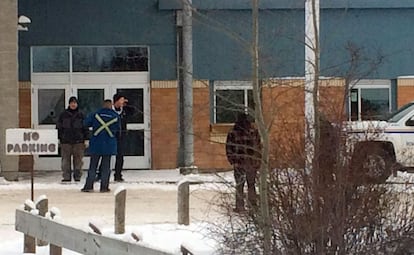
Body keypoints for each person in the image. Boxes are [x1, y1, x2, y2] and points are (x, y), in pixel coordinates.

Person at [81, 100, 120, 192]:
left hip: (96, 144)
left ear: (103, 105)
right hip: (109, 144)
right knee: (106, 167)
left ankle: (89, 186)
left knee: (93, 166)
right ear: (111, 106)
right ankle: (104, 187)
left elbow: (85, 123)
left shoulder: (95, 114)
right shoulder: (115, 116)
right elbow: (118, 130)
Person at [226, 113, 261, 213]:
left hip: (239, 163)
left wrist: (232, 161)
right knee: (251, 185)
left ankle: (240, 206)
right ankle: (253, 206)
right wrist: (258, 161)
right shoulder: (253, 131)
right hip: (251, 162)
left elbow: (229, 148)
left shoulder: (233, 132)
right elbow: (258, 147)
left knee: (239, 185)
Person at [56, 96, 88, 182]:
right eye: (72, 103)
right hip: (65, 141)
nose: (73, 104)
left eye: (75, 103)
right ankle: (66, 177)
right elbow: (59, 127)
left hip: (79, 141)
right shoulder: (63, 115)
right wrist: (59, 138)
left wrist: (86, 139)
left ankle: (77, 177)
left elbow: (85, 128)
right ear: (69, 104)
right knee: (65, 161)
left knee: (78, 161)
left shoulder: (81, 115)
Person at [112, 93, 137, 182]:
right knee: (106, 156)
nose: (122, 102)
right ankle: (101, 174)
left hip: (121, 136)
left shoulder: (125, 110)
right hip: (111, 136)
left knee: (120, 156)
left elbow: (134, 111)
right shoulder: (111, 111)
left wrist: (128, 102)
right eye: (121, 100)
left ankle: (118, 175)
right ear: (116, 101)